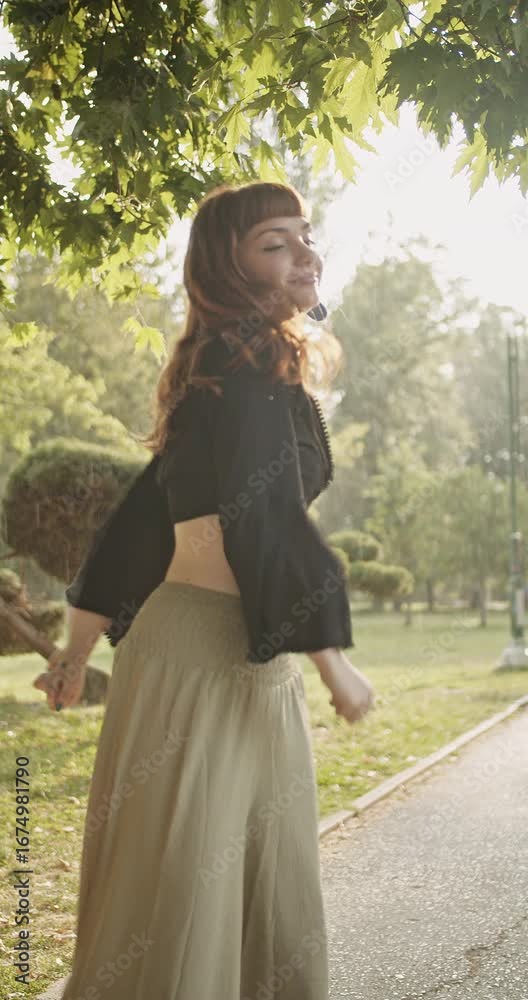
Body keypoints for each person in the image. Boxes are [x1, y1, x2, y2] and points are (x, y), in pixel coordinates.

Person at [43, 180, 376, 1000]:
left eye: (304, 234)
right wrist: (334, 662)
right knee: (196, 894)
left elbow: (138, 522)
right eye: (274, 243)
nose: (303, 251)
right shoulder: (245, 367)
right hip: (207, 664)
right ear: (230, 270)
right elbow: (258, 517)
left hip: (209, 656)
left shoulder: (221, 371)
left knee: (225, 887)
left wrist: (76, 652)